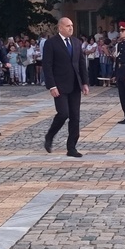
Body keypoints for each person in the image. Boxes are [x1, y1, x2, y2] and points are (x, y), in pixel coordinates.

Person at [42, 17, 89, 158]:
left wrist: (85, 83)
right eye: (68, 26)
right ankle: (50, 136)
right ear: (60, 28)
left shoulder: (76, 42)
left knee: (75, 117)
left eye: (72, 25)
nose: (71, 28)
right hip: (60, 85)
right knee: (63, 113)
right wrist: (52, 86)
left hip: (75, 84)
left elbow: (81, 64)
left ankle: (71, 147)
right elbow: (47, 66)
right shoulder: (51, 43)